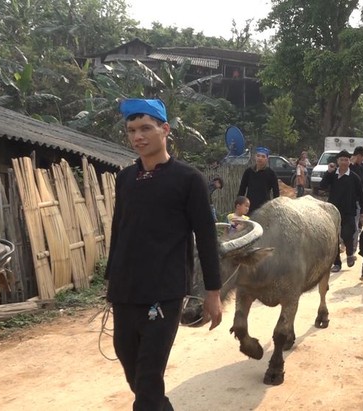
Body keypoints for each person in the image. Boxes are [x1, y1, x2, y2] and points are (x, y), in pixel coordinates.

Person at [105, 98, 223, 411]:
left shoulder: (188, 179)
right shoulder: (126, 179)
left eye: (146, 128)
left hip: (164, 292)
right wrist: (110, 279)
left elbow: (207, 238)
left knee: (147, 378)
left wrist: (213, 292)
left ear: (165, 129)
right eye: (132, 130)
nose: (137, 136)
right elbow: (119, 229)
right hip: (125, 290)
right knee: (134, 371)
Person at [320, 149, 363, 273]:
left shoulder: (354, 177)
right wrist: (328, 172)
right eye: (342, 160)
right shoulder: (333, 175)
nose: (344, 162)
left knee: (347, 233)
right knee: (334, 238)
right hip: (333, 211)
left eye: (346, 159)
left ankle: (350, 254)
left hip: (349, 211)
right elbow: (322, 186)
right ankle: (337, 263)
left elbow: (361, 195)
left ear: (349, 161)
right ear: (337, 161)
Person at [238, 147, 279, 214]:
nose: (260, 158)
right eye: (258, 156)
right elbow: (242, 189)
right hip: (249, 207)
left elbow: (276, 193)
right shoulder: (248, 172)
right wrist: (239, 204)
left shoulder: (271, 173)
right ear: (255, 157)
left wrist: (275, 207)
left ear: (267, 159)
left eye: (263, 156)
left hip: (264, 208)